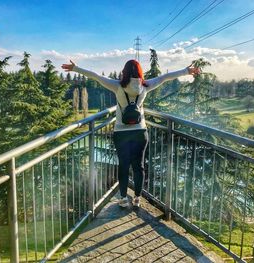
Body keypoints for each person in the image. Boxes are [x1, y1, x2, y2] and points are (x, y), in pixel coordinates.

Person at [62, 59, 199, 208]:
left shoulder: (117, 86)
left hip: (121, 133)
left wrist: (76, 68)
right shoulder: (145, 85)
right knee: (138, 166)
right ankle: (137, 198)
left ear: (124, 71)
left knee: (123, 166)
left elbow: (95, 76)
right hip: (140, 132)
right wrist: (186, 71)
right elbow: (165, 78)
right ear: (140, 71)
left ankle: (122, 198)